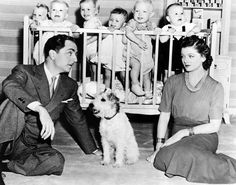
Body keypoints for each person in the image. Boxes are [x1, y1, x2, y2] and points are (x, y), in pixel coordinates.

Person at [0, 34, 101, 185]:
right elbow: (9, 85)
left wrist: (92, 148)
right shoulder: (26, 72)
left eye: (76, 54)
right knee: (13, 103)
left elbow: (77, 118)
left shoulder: (70, 86)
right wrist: (39, 108)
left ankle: (6, 166)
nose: (75, 59)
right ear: (53, 54)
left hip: (33, 145)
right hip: (8, 138)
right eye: (70, 53)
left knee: (56, 161)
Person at [147, 35, 236, 183]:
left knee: (182, 153)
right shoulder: (172, 82)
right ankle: (204, 159)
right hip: (177, 133)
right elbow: (164, 117)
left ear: (202, 57)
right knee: (162, 158)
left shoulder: (215, 87)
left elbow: (214, 126)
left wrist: (184, 133)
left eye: (191, 56)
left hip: (205, 135)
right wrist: (159, 145)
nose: (185, 60)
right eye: (183, 56)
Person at [123, 0, 159, 100]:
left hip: (146, 56)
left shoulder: (150, 24)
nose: (140, 14)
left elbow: (155, 37)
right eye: (137, 11)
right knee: (136, 65)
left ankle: (147, 92)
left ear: (151, 14)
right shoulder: (132, 22)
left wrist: (157, 31)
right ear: (133, 12)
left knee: (147, 76)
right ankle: (134, 84)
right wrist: (138, 41)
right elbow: (128, 33)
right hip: (133, 55)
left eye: (144, 11)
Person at [159, 3, 200, 81]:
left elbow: (198, 27)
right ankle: (167, 88)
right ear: (168, 19)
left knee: (184, 75)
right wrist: (168, 33)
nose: (179, 16)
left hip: (184, 56)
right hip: (170, 56)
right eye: (176, 14)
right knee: (168, 75)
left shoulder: (187, 25)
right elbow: (162, 40)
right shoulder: (167, 27)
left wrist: (192, 31)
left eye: (181, 13)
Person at [33, 0, 80, 65]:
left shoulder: (67, 25)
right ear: (49, 14)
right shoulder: (46, 23)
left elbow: (77, 35)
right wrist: (34, 24)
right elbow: (36, 25)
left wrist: (75, 28)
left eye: (60, 10)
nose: (57, 12)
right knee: (42, 61)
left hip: (59, 49)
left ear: (66, 15)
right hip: (44, 49)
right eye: (54, 10)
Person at [92, 7, 128, 88]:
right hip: (108, 59)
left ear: (124, 24)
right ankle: (107, 92)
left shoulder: (123, 32)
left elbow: (125, 41)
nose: (113, 22)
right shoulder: (105, 29)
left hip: (120, 59)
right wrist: (108, 30)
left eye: (117, 21)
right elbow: (103, 36)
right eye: (111, 19)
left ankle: (127, 91)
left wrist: (124, 30)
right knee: (107, 76)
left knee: (124, 76)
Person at [79, 0, 103, 81]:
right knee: (91, 69)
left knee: (95, 69)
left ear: (96, 11)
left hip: (95, 50)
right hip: (88, 50)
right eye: (82, 9)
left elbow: (100, 34)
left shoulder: (95, 21)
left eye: (88, 9)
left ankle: (97, 84)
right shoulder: (86, 22)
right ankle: (93, 83)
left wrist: (88, 41)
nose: (85, 12)